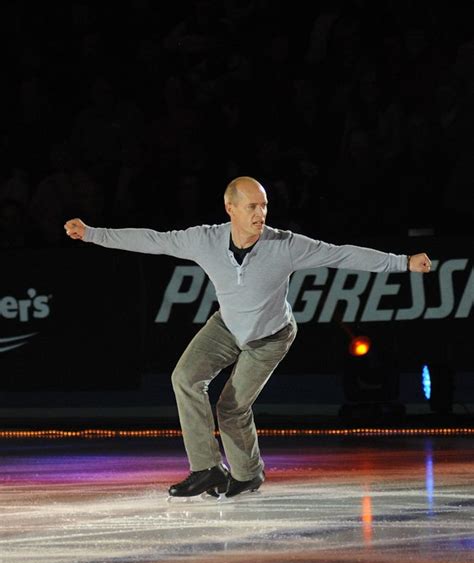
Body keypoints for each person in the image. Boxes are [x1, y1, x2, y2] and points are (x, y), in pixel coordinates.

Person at [64, 176, 431, 498]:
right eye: (253, 206)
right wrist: (93, 234)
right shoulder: (204, 240)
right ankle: (207, 469)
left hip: (270, 336)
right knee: (185, 378)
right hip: (227, 325)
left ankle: (247, 474)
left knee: (231, 407)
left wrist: (402, 262)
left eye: (265, 206)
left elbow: (341, 255)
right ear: (230, 208)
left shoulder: (285, 245)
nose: (261, 213)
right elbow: (153, 240)